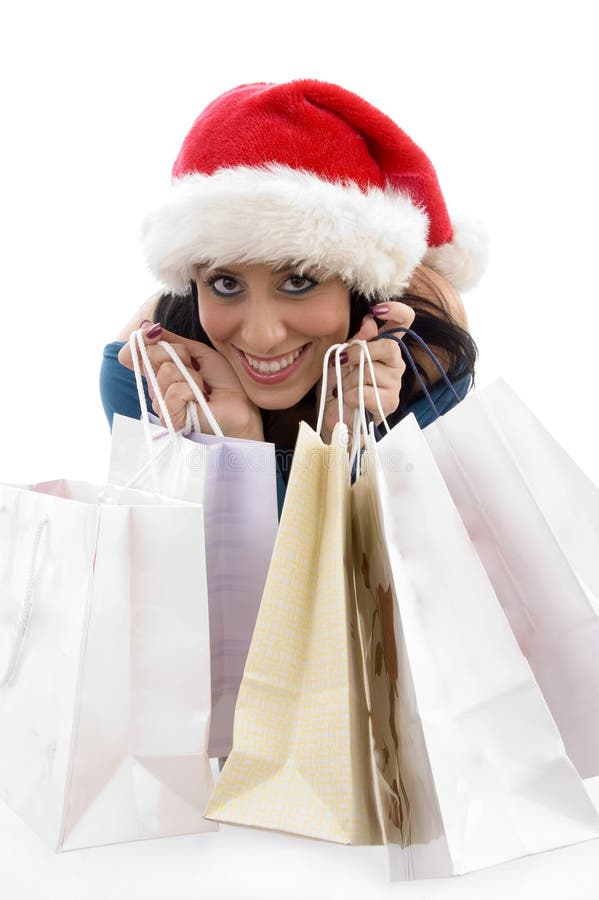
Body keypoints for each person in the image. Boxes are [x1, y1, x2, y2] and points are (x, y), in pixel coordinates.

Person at [100, 79, 486, 508]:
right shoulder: (149, 375)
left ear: (360, 285)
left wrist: (345, 449)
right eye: (226, 284)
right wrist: (238, 450)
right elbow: (187, 573)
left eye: (299, 281)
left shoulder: (423, 361)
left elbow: (394, 571)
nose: (263, 336)